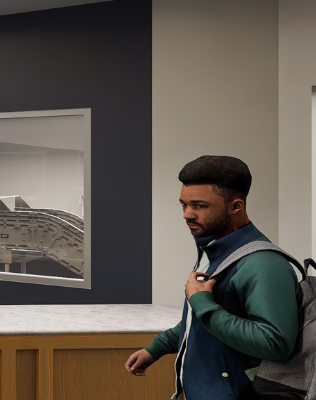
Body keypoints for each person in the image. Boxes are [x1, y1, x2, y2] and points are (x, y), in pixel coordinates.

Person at [124, 156, 299, 400]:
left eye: (199, 206)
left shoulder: (263, 263)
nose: (187, 214)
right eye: (183, 205)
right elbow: (200, 322)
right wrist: (156, 348)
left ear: (235, 206)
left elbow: (275, 343)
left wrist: (203, 302)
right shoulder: (213, 250)